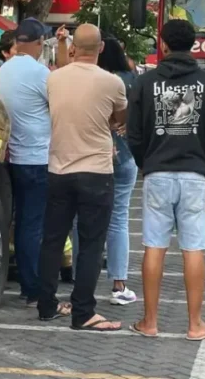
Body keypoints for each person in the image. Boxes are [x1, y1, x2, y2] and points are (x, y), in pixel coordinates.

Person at [126, 19, 205, 341]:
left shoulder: (145, 82)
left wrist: (147, 163)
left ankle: (150, 321)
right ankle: (196, 325)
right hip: (195, 173)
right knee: (193, 247)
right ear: (193, 44)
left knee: (154, 246)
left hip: (157, 172)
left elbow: (134, 134)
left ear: (163, 44)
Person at [37, 24, 127, 331]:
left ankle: (46, 305)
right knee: (90, 244)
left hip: (58, 169)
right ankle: (83, 311)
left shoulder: (54, 78)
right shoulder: (112, 82)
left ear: (74, 47)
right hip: (96, 171)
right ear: (101, 48)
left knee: (51, 240)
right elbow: (120, 119)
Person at [69, 37, 140, 305]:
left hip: (87, 156)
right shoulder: (128, 80)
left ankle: (79, 279)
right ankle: (119, 285)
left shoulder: (88, 80)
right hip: (123, 155)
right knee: (118, 218)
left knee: (80, 218)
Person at [0, 18, 52, 306]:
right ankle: (33, 287)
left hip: (13, 157)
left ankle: (23, 280)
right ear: (40, 42)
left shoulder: (5, 70)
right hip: (38, 158)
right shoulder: (40, 72)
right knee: (33, 225)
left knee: (19, 223)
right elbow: (57, 107)